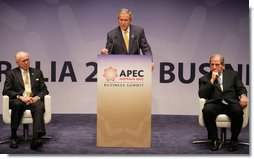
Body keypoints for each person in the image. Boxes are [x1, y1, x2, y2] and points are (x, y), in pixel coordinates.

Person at [198, 54, 248, 151]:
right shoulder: (204, 79)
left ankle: (234, 140)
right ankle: (214, 140)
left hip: (230, 102)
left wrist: (243, 96)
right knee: (207, 110)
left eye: (217, 64)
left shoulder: (233, 75)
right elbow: (202, 94)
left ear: (223, 66)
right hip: (214, 103)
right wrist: (212, 80)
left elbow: (241, 88)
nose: (214, 67)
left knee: (237, 111)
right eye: (212, 64)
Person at [2, 51, 49, 150]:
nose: (27, 62)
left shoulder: (37, 72)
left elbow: (44, 90)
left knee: (39, 105)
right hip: (19, 100)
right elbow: (6, 91)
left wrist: (36, 98)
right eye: (24, 61)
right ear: (18, 62)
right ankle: (13, 136)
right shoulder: (11, 74)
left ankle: (36, 138)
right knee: (17, 105)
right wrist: (20, 97)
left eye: (28, 59)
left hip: (33, 100)